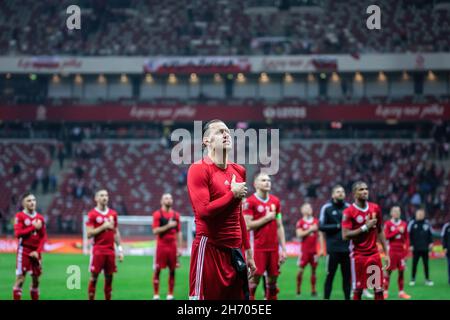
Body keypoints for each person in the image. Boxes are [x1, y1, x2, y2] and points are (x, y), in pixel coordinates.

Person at [187, 119, 256, 300]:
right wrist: (232, 194)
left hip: (235, 252)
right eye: (219, 132)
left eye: (227, 131)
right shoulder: (198, 169)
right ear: (206, 141)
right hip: (209, 249)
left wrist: (248, 252)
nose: (226, 134)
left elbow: (238, 214)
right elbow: (204, 211)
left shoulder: (239, 170)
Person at [341, 181, 389, 300]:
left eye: (366, 189)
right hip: (358, 256)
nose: (365, 191)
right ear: (354, 193)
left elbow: (380, 230)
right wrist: (364, 227)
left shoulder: (375, 208)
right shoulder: (349, 212)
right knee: (358, 290)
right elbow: (345, 235)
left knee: (378, 289)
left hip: (374, 254)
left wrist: (386, 253)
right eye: (361, 189)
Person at [243, 173, 287, 300]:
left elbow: (279, 226)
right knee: (253, 281)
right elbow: (247, 226)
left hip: (273, 248)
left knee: (273, 282)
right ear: (255, 184)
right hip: (257, 248)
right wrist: (266, 218)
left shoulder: (275, 201)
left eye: (269, 180)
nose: (267, 182)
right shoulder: (250, 202)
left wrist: (283, 249)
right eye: (263, 180)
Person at [86, 189, 124, 300]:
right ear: (96, 198)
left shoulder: (113, 214)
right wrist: (103, 226)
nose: (104, 198)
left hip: (110, 251)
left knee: (109, 278)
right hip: (98, 250)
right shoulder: (92, 214)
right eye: (102, 195)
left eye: (106, 195)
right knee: (94, 277)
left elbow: (116, 232)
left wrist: (120, 249)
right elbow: (89, 234)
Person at [319, 184, 351, 300]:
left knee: (347, 278)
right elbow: (321, 226)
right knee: (329, 276)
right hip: (332, 250)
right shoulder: (326, 208)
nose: (341, 193)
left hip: (347, 249)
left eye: (342, 191)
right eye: (338, 192)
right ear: (333, 195)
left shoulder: (349, 208)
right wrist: (338, 226)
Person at [13, 192, 47, 300]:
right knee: (20, 279)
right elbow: (18, 234)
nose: (32, 202)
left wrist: (38, 251)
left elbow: (43, 237)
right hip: (24, 251)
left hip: (36, 252)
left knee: (36, 280)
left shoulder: (40, 218)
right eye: (29, 200)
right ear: (23, 203)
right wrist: (33, 227)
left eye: (34, 200)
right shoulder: (20, 216)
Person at [152, 193, 182, 300]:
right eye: (166, 198)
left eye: (170, 198)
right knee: (157, 269)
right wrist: (168, 226)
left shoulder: (176, 215)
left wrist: (179, 248)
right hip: (161, 246)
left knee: (172, 270)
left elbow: (179, 232)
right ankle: (156, 294)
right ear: (161, 201)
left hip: (172, 246)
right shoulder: (157, 214)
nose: (168, 200)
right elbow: (155, 231)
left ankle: (170, 294)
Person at [383, 206, 411, 299]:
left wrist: (406, 252)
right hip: (391, 251)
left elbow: (407, 238)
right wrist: (397, 231)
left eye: (398, 211)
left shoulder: (404, 224)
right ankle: (385, 291)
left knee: (401, 272)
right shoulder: (388, 224)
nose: (397, 213)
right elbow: (386, 236)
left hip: (401, 252)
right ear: (391, 213)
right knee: (388, 272)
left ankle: (401, 292)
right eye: (395, 211)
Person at [296, 203, 322, 296]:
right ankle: (298, 289)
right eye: (307, 207)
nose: (310, 208)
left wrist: (321, 248)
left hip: (314, 251)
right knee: (301, 270)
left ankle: (313, 290)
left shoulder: (316, 221)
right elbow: (299, 234)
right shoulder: (300, 222)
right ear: (302, 211)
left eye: (310, 207)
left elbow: (320, 236)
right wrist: (310, 229)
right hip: (305, 252)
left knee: (314, 270)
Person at [407, 208, 434, 286]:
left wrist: (431, 243)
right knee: (414, 264)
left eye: (421, 214)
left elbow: (430, 234)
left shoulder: (427, 223)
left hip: (425, 248)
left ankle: (427, 279)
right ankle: (413, 279)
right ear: (416, 214)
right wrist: (410, 245)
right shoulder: (412, 223)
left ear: (424, 215)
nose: (420, 215)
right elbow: (409, 235)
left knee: (426, 264)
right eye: (419, 214)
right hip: (415, 248)